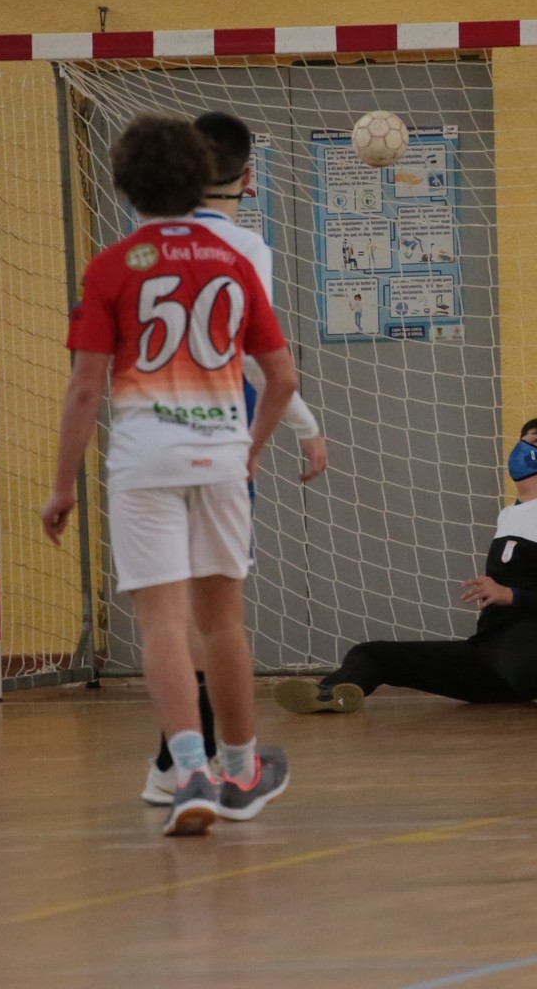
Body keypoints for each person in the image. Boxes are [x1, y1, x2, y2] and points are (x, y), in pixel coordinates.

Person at [40, 114, 297, 836]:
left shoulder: (110, 267)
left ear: (124, 186)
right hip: (219, 456)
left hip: (143, 460)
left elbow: (84, 390)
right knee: (222, 622)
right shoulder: (234, 259)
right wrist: (250, 448)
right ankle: (240, 770)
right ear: (202, 179)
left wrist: (62, 486)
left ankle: (188, 774)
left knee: (161, 623)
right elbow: (281, 379)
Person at [138, 110, 330, 807]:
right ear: (250, 178)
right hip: (216, 442)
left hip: (146, 446)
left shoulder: (140, 244)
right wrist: (304, 426)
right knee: (214, 616)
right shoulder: (244, 247)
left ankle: (174, 763)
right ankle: (215, 766)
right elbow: (255, 356)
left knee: (170, 615)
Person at [274, 418, 537, 714]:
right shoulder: (509, 516)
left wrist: (511, 595)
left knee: (526, 669)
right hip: (487, 654)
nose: (522, 447)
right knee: (371, 652)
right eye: (522, 439)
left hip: (532, 654)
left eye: (536, 442)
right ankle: (329, 694)